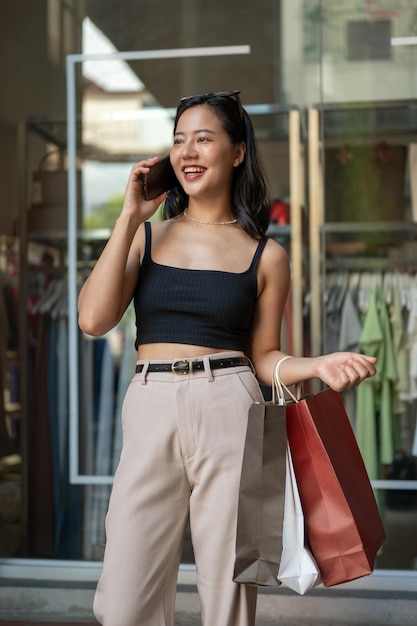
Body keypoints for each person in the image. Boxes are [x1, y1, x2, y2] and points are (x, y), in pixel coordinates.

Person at [78, 90, 377, 626]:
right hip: (153, 404)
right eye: (178, 140)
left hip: (231, 407)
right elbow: (93, 320)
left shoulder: (267, 254)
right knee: (123, 601)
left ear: (236, 152)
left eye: (203, 138)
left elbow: (263, 356)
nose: (187, 150)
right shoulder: (147, 237)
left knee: (229, 593)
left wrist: (316, 366)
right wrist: (128, 216)